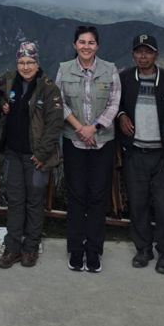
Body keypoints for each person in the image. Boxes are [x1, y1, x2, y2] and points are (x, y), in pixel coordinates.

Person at [55, 25, 120, 273]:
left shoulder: (110, 69)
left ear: (97, 46)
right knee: (77, 195)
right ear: (74, 45)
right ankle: (76, 249)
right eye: (81, 42)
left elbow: (114, 102)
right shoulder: (64, 69)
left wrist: (94, 127)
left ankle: (94, 250)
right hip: (74, 140)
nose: (86, 46)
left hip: (103, 141)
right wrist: (81, 128)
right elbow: (58, 102)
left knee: (97, 196)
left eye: (91, 42)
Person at [0, 41, 65, 269]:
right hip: (13, 153)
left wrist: (43, 154)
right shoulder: (8, 81)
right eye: (22, 62)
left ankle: (31, 247)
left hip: (37, 157)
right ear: (17, 63)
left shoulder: (48, 88)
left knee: (35, 203)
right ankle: (13, 248)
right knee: (15, 201)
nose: (25, 67)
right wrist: (2, 103)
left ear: (38, 63)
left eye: (30, 62)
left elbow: (55, 125)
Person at [115, 33, 164, 274]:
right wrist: (121, 116)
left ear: (156, 55)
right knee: (138, 204)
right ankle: (143, 249)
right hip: (135, 152)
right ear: (133, 55)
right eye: (139, 51)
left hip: (162, 155)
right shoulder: (125, 79)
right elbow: (115, 105)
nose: (143, 56)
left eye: (148, 51)